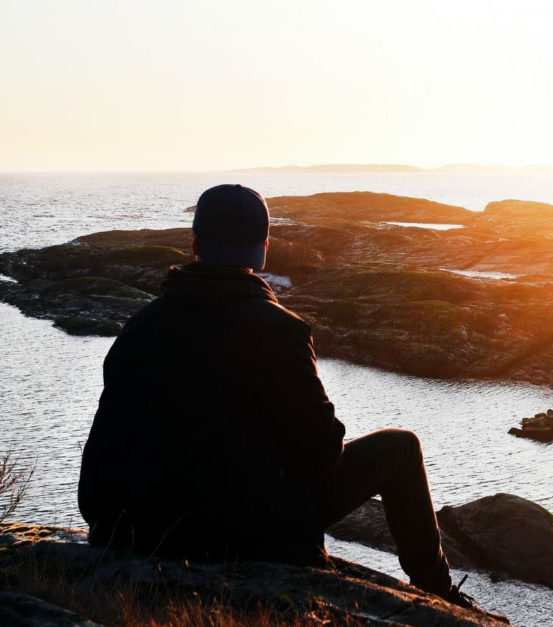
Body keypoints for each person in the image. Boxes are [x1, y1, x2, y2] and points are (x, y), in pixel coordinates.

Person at [78, 184, 496, 616]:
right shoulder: (280, 331)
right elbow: (322, 452)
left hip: (133, 532)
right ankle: (440, 597)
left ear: (195, 243)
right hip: (247, 537)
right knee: (401, 449)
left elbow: (97, 472)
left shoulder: (138, 329)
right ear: (263, 249)